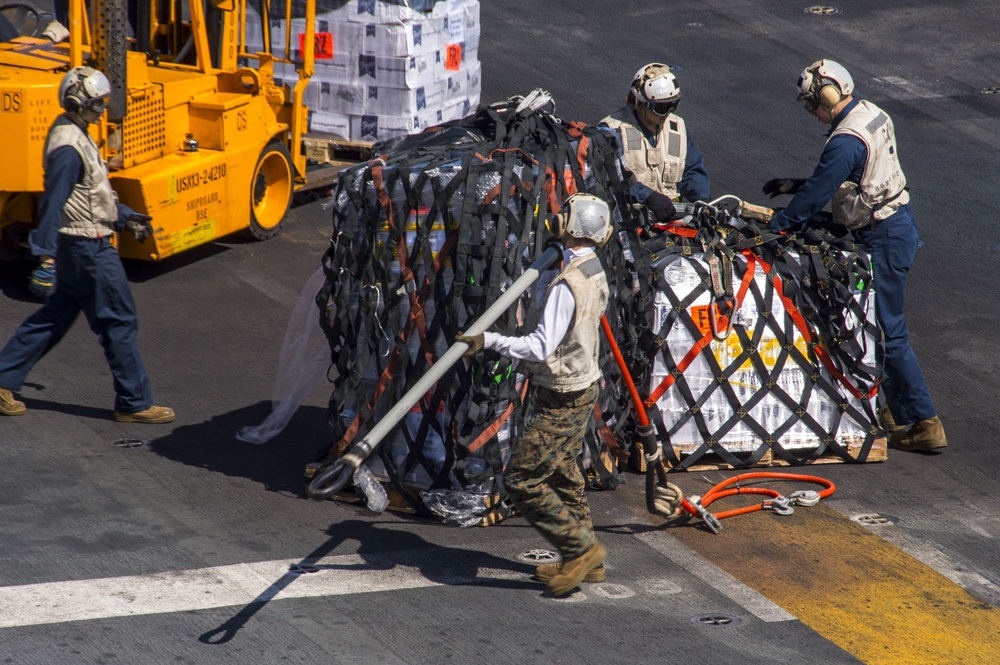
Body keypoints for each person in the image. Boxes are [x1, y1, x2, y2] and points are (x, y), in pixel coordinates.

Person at [761, 58, 945, 452]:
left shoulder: (845, 139)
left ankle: (926, 423)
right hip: (896, 225)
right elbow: (855, 174)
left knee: (887, 330)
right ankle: (893, 411)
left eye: (813, 103)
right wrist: (796, 183)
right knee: (873, 324)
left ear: (828, 94)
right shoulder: (871, 113)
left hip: (882, 236)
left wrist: (779, 226)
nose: (812, 112)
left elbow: (819, 194)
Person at [456, 193, 611, 596]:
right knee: (562, 470)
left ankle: (581, 549)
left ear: (571, 226)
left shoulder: (567, 283)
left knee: (523, 479)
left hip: (562, 393)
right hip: (582, 384)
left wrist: (490, 340)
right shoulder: (592, 268)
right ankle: (586, 561)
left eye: (563, 216)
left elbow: (540, 346)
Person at [0, 66, 174, 424]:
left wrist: (124, 215)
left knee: (56, 315)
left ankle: (2, 379)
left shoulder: (75, 133)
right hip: (88, 248)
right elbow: (53, 201)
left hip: (78, 244)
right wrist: (45, 257)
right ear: (77, 103)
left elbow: (90, 193)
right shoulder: (68, 147)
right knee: (119, 319)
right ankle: (134, 402)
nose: (101, 112)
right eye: (96, 105)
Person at [599, 62, 711, 223]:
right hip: (628, 223)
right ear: (637, 102)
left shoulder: (677, 128)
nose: (668, 113)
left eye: (673, 105)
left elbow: (692, 170)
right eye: (662, 107)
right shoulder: (612, 130)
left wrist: (703, 200)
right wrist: (647, 196)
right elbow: (607, 177)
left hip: (671, 221)